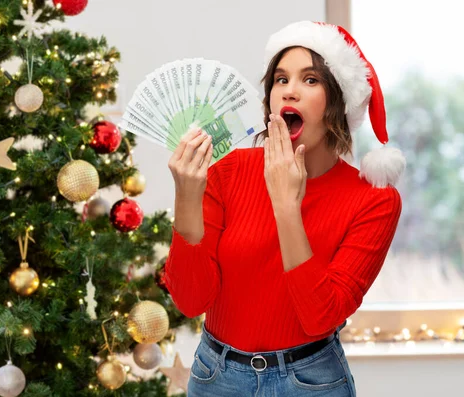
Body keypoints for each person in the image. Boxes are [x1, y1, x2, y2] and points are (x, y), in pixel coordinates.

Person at [164, 21, 406, 397]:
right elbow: (190, 300)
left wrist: (286, 206)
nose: (289, 90)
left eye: (310, 80)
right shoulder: (227, 173)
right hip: (217, 378)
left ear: (338, 102)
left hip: (311, 383)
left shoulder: (374, 201)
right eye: (280, 79)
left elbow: (320, 316)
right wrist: (186, 197)